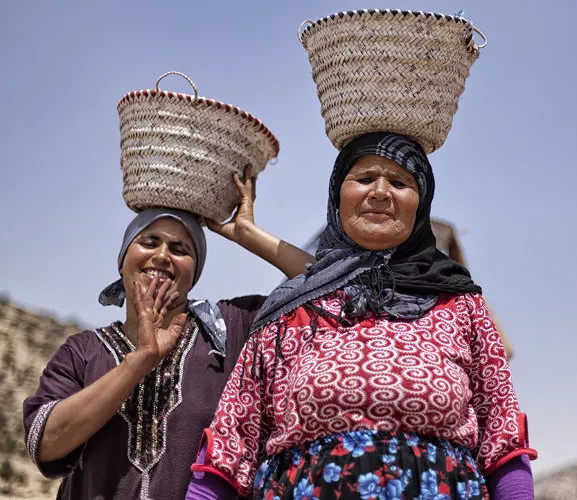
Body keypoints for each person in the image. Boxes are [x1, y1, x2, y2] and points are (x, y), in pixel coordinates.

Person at [186, 132, 537, 499]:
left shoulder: (461, 306)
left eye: (399, 182)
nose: (381, 192)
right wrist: (248, 233)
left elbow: (503, 440)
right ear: (337, 195)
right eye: (365, 178)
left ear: (421, 203)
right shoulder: (289, 312)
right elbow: (229, 449)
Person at [22, 168, 315, 499]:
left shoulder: (231, 329)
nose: (162, 256)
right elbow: (45, 443)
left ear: (195, 272)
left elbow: (329, 284)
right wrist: (139, 361)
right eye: (148, 242)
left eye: (179, 249)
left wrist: (248, 233)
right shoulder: (84, 351)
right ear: (122, 262)